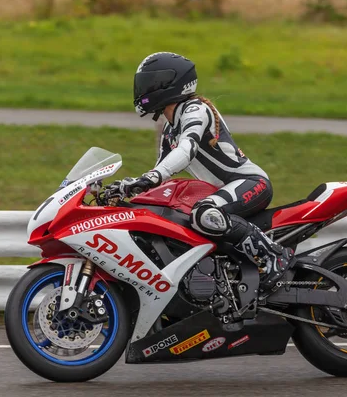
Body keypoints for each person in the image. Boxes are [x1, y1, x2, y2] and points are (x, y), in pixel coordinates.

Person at [109, 52, 295, 290]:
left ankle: (274, 257)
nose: (142, 90)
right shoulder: (170, 128)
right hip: (226, 190)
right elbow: (162, 170)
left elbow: (186, 149)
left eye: (148, 83)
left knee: (203, 213)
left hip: (251, 182)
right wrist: (127, 189)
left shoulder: (196, 110)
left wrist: (152, 177)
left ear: (168, 83)